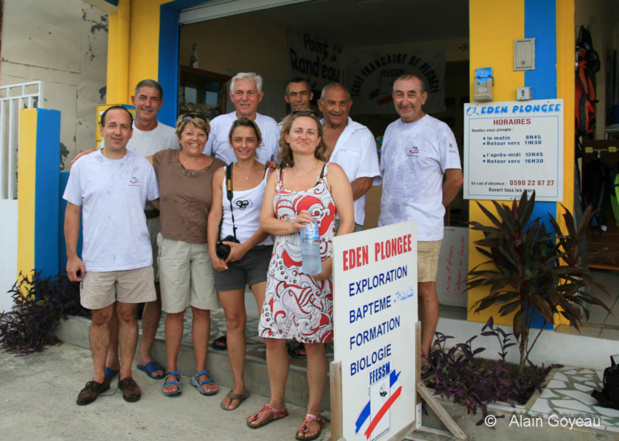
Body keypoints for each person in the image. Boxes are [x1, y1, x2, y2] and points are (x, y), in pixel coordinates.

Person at [247, 110, 354, 440]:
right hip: (282, 269)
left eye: (311, 131)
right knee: (274, 338)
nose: (304, 136)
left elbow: (347, 223)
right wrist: (292, 225)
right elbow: (265, 221)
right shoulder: (276, 176)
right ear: (288, 137)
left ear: (319, 139)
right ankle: (276, 403)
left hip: (319, 269)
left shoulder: (332, 172)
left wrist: (331, 264)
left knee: (313, 343)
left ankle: (313, 412)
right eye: (298, 131)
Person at [79, 79, 178, 381]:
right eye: (143, 98)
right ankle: (111, 356)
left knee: (153, 291)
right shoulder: (117, 130)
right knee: (113, 295)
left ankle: (144, 353)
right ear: (134, 99)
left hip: (157, 221)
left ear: (161, 103)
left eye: (154, 99)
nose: (148, 103)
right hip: (120, 225)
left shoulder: (172, 137)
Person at [64, 106, 159, 405]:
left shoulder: (142, 167)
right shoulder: (84, 165)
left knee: (129, 316)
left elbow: (159, 202)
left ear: (132, 132)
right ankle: (98, 377)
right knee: (101, 318)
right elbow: (73, 211)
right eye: (112, 125)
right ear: (102, 129)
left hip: (135, 258)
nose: (118, 131)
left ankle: (127, 375)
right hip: (97, 259)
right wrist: (72, 255)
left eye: (124, 126)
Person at [378, 74, 463, 365]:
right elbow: (388, 176)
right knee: (392, 290)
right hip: (389, 228)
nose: (405, 101)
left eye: (411, 94)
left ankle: (423, 352)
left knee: (424, 289)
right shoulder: (390, 130)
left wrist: (433, 207)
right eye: (399, 94)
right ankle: (398, 346)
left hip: (423, 229)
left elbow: (455, 179)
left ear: (423, 97)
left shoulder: (439, 131)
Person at [149, 114, 225, 397]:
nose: (195, 138)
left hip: (205, 245)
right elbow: (128, 162)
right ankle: (172, 370)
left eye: (201, 134)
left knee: (202, 309)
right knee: (174, 310)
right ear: (179, 136)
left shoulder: (218, 166)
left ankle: (200, 371)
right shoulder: (163, 159)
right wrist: (92, 153)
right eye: (190, 133)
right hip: (172, 244)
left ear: (207, 138)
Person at [207, 118, 273, 411]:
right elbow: (214, 215)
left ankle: (276, 394)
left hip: (260, 253)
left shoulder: (272, 174)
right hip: (226, 255)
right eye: (238, 140)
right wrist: (213, 252)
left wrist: (245, 247)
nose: (244, 146)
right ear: (230, 143)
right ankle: (239, 385)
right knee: (233, 321)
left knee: (270, 322)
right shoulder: (222, 174)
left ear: (259, 143)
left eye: (249, 140)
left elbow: (271, 220)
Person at [317, 83, 381, 231]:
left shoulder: (362, 135)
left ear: (349, 105)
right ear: (320, 105)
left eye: (342, 103)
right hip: (311, 219)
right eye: (331, 103)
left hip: (348, 220)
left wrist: (326, 205)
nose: (337, 109)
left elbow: (365, 182)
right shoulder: (310, 133)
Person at [204, 72, 279, 167]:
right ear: (232, 96)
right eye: (239, 93)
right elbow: (202, 158)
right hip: (224, 181)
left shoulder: (271, 125)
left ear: (260, 97)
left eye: (250, 93)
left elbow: (278, 163)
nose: (244, 98)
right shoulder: (217, 124)